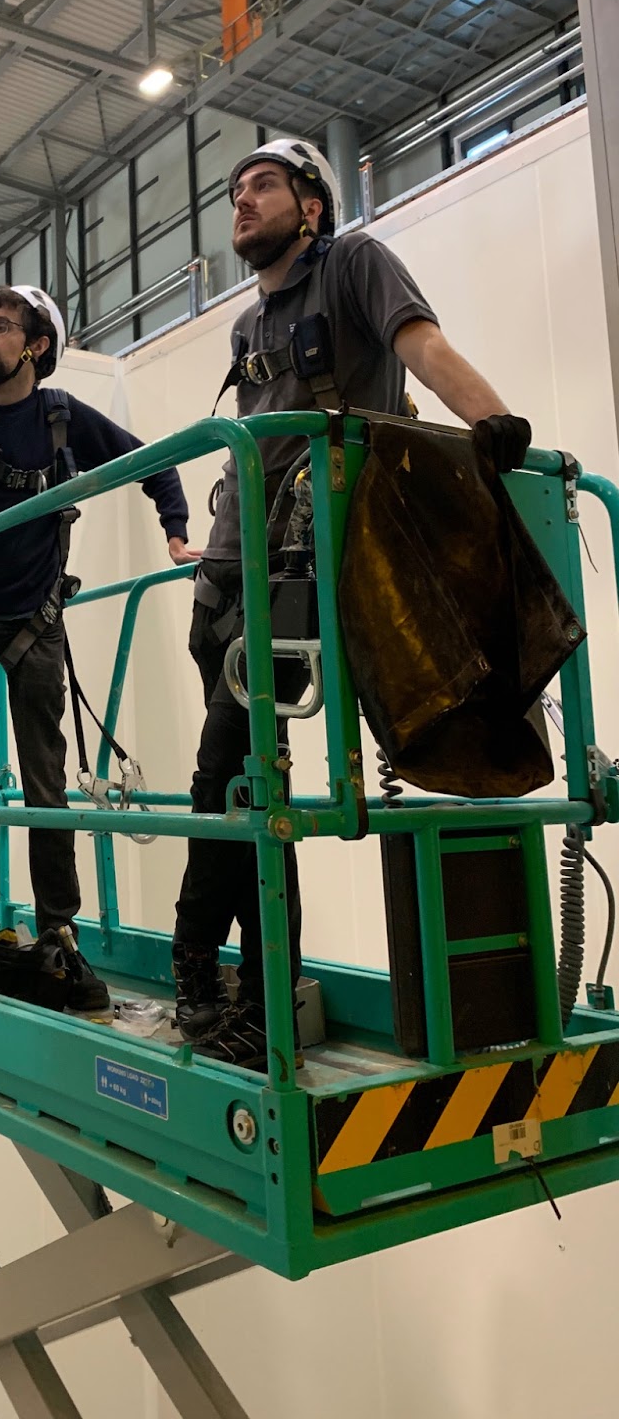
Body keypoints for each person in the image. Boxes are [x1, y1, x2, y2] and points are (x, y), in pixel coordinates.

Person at [172, 138, 531, 1069]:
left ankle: (224, 980)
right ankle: (232, 985)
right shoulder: (248, 325)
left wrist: (491, 416)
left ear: (313, 205)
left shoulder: (354, 264)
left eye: (263, 186)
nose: (243, 200)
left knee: (233, 779)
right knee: (239, 787)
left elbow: (421, 344)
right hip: (228, 566)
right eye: (236, 190)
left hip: (298, 565)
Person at [0, 285, 196, 1018]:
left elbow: (153, 460)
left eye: (0, 326)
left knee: (47, 789)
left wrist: (176, 530)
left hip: (33, 623)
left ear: (36, 346)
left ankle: (61, 934)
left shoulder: (62, 419)